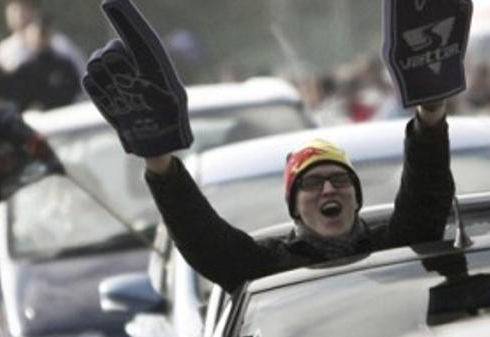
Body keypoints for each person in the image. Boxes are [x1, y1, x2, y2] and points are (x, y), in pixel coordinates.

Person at [83, 0, 465, 293]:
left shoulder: (398, 246)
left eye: (339, 180)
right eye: (313, 184)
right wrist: (159, 162)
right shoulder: (266, 267)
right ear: (295, 209)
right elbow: (204, 241)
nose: (329, 189)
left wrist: (431, 111)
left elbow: (426, 194)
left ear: (356, 197)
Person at [0, 0, 86, 75]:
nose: (20, 13)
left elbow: (81, 70)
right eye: (15, 9)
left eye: (25, 8)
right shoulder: (4, 48)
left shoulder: (57, 41)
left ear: (35, 11)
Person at [11, 18, 81, 110]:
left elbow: (76, 92)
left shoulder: (64, 64)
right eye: (34, 35)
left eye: (43, 34)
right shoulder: (23, 71)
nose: (39, 39)